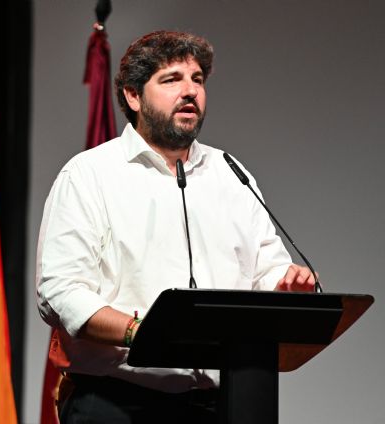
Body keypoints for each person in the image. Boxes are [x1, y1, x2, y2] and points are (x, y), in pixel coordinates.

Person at [35, 30, 316, 423]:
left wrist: (286, 287)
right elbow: (61, 291)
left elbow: (266, 271)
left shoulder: (231, 174)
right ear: (133, 96)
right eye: (171, 80)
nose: (190, 91)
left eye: (197, 79)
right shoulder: (89, 175)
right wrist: (140, 331)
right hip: (117, 404)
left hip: (221, 406)